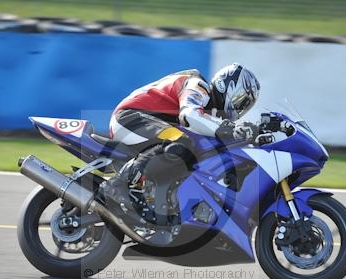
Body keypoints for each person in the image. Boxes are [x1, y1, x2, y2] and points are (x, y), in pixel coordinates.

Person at [102, 63, 262, 201]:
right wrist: (228, 129)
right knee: (182, 142)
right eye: (240, 100)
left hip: (147, 123)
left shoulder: (207, 110)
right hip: (130, 117)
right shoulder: (197, 85)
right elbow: (189, 114)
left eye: (245, 106)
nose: (239, 108)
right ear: (226, 85)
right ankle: (118, 185)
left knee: (194, 152)